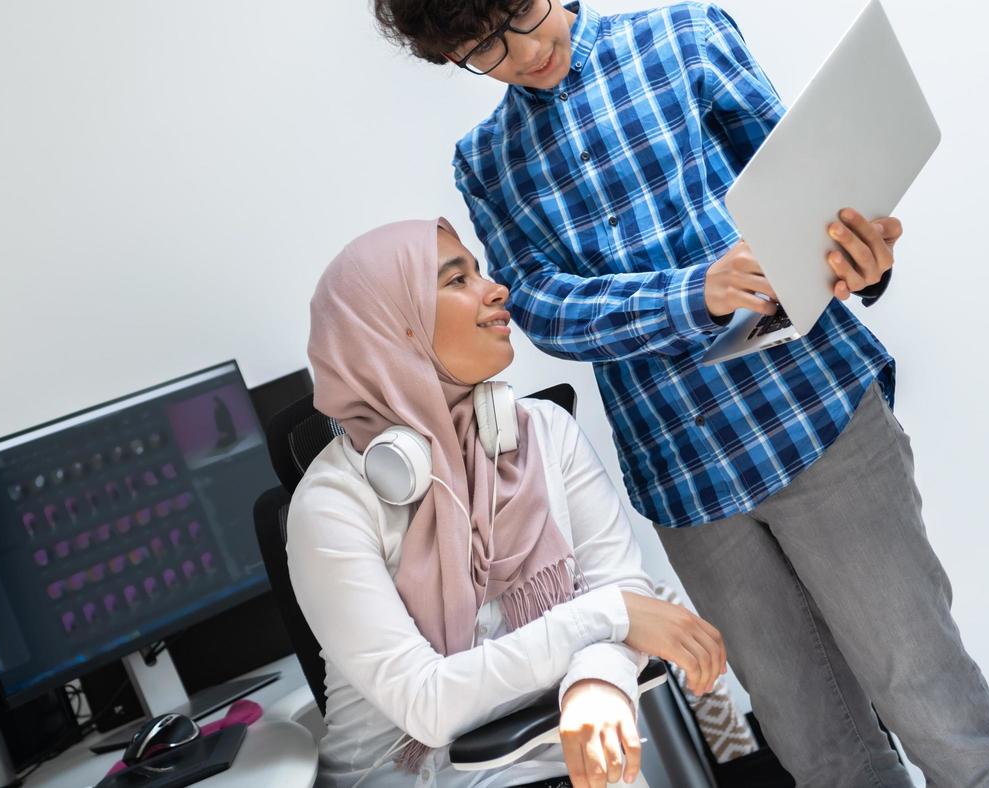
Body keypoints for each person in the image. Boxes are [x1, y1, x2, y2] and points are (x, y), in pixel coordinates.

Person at [368, 0, 989, 787]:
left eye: (525, 11)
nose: (525, 52)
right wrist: (693, 293)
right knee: (821, 754)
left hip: (818, 419)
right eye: (484, 49)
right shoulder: (485, 162)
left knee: (941, 712)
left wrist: (859, 256)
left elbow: (818, 198)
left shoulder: (684, 40)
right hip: (689, 481)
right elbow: (543, 307)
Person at [286, 217, 726, 788]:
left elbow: (626, 597)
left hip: (559, 742)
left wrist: (595, 681)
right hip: (412, 773)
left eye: (480, 270)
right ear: (400, 329)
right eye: (456, 280)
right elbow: (429, 705)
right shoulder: (331, 505)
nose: (497, 289)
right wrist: (605, 617)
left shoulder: (543, 432)